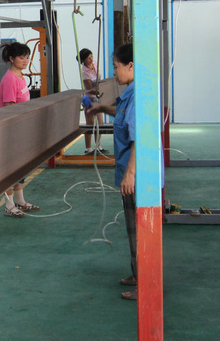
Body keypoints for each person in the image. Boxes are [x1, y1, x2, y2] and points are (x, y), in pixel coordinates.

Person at [88, 43, 136, 300]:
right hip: (129, 171)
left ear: (131, 66)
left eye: (116, 67)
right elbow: (122, 113)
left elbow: (139, 138)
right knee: (132, 227)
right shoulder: (130, 93)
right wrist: (103, 108)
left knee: (140, 229)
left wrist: (131, 173)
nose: (114, 72)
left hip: (136, 175)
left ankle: (145, 284)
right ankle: (138, 273)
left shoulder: (138, 96)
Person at [0, 41, 41, 218]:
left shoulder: (21, 77)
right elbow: (10, 109)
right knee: (12, 167)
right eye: (21, 57)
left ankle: (20, 201)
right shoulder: (9, 80)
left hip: (23, 129)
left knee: (22, 166)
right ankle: (9, 206)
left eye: (27, 57)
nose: (25, 61)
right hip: (13, 131)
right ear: (11, 58)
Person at [79, 48, 106, 155]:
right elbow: (89, 88)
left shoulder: (95, 63)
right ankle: (88, 148)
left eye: (91, 56)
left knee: (100, 122)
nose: (90, 59)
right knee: (90, 124)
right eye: (88, 58)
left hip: (98, 97)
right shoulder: (84, 72)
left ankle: (98, 146)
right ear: (83, 60)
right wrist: (102, 89)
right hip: (90, 98)